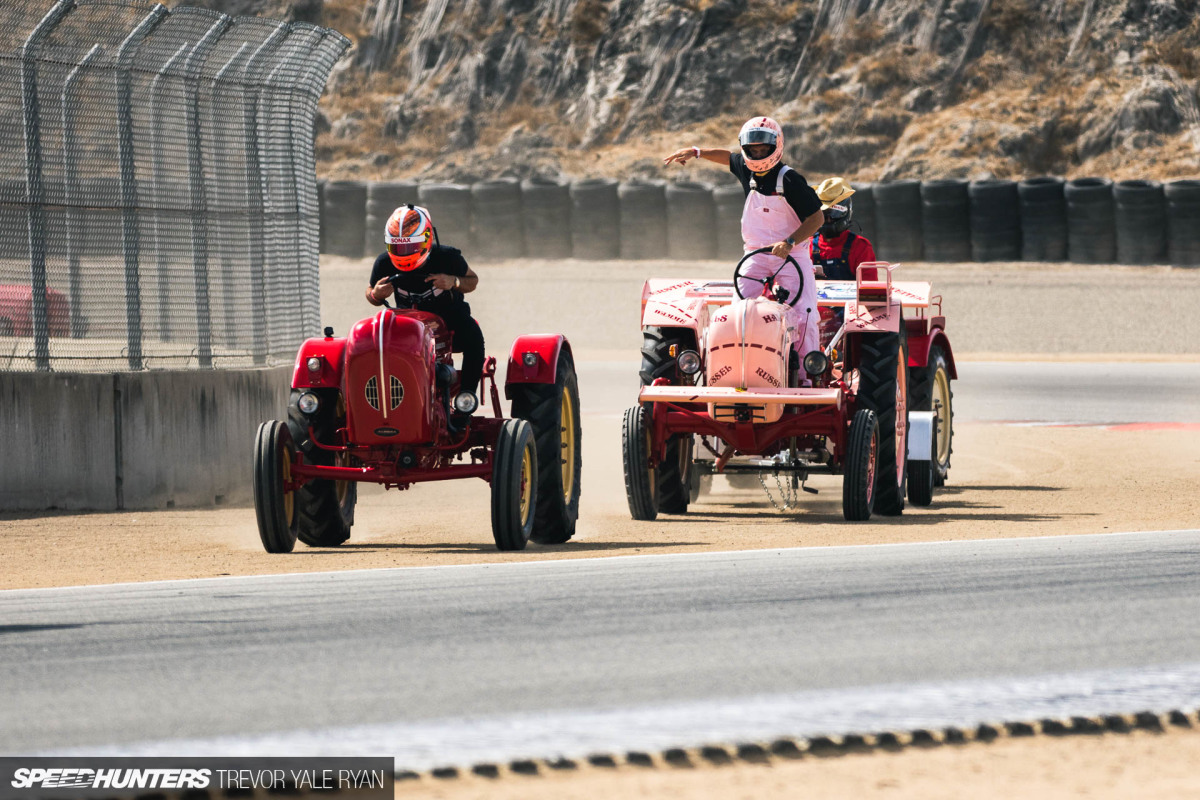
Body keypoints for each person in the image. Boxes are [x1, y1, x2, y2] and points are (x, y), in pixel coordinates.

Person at [664, 116, 825, 364]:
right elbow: (727, 157)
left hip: (791, 256)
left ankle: (806, 376)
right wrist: (696, 152)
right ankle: (733, 367)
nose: (758, 154)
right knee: (738, 312)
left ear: (776, 146)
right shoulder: (745, 168)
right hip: (755, 255)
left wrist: (790, 241)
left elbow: (816, 219)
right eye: (753, 149)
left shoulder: (791, 180)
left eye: (763, 149)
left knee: (804, 313)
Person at [366, 204, 484, 399]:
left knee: (475, 338)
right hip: (406, 325)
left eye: (408, 247)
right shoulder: (384, 262)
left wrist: (453, 281)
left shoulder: (448, 257)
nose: (403, 252)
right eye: (397, 247)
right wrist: (376, 294)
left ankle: (467, 396)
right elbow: (370, 293)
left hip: (450, 321)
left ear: (426, 239)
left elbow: (473, 281)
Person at [810, 177, 876, 280]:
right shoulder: (806, 247)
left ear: (846, 213)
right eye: (824, 214)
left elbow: (869, 291)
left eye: (833, 214)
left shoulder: (860, 247)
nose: (828, 220)